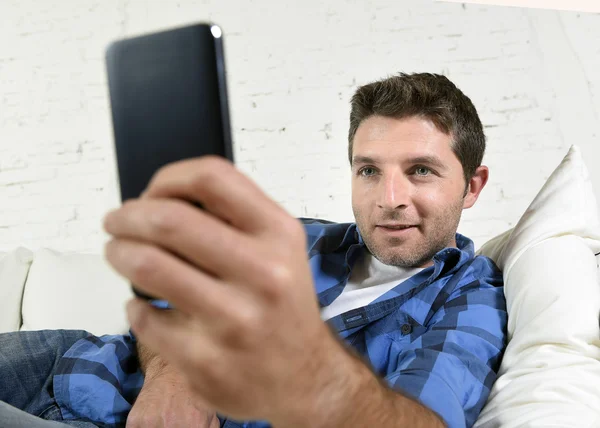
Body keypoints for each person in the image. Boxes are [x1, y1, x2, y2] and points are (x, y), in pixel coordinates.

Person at [0, 72, 507, 428]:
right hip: (70, 361)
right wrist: (173, 376)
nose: (389, 199)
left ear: (472, 185)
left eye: (421, 170)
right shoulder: (304, 238)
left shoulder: (468, 299)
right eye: (369, 170)